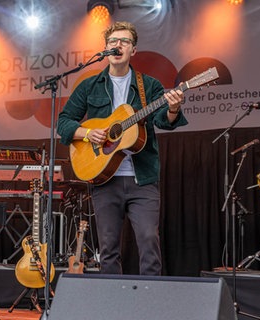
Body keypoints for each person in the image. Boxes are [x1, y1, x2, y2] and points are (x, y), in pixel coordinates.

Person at [57, 21, 188, 275]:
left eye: (124, 41)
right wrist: (86, 133)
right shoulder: (89, 85)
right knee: (108, 248)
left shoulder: (148, 86)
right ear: (105, 48)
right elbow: (63, 122)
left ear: (133, 50)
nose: (118, 45)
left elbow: (163, 120)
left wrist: (173, 108)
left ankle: (149, 302)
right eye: (113, 41)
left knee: (149, 240)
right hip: (104, 178)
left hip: (142, 178)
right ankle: (111, 306)